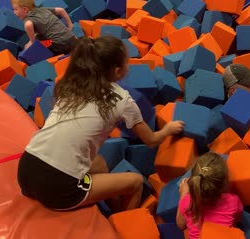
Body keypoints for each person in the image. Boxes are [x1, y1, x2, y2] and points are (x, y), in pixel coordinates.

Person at [17, 36, 184, 212]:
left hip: (27, 169)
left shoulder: (72, 83)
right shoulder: (122, 99)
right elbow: (150, 140)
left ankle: (109, 205)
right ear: (118, 71)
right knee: (135, 182)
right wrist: (168, 129)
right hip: (60, 188)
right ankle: (123, 226)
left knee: (100, 163)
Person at [176, 152, 243, 239]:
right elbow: (238, 219)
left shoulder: (187, 201)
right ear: (225, 184)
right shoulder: (233, 201)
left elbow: (180, 225)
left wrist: (183, 194)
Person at [11, 0, 76, 55]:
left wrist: (31, 41)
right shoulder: (43, 9)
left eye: (15, 9)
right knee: (38, 36)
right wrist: (70, 25)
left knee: (38, 46)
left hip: (59, 45)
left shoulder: (27, 19)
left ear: (25, 9)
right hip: (71, 38)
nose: (14, 12)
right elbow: (61, 10)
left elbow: (28, 25)